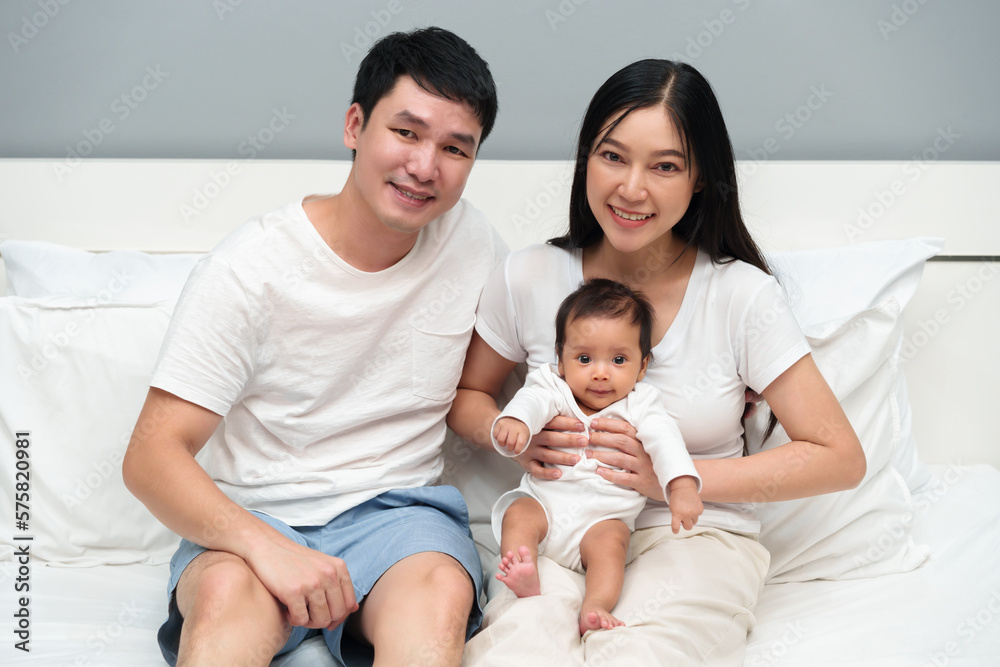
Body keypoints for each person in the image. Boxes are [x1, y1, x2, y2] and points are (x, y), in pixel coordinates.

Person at [447, 58, 865, 666]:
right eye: (612, 156)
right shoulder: (530, 275)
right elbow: (467, 396)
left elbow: (839, 458)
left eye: (665, 166)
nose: (631, 188)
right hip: (560, 531)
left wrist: (669, 479)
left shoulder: (740, 296)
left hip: (695, 536)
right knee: (518, 647)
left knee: (637, 654)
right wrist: (508, 436)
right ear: (586, 158)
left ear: (700, 179)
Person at [122, 27, 505, 667]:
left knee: (441, 591)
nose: (424, 167)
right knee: (225, 593)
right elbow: (151, 455)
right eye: (405, 133)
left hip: (400, 521)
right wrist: (267, 548)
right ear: (355, 125)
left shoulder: (473, 244)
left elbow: (549, 336)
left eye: (455, 148)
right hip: (258, 521)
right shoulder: (252, 267)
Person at [490, 277, 702, 636]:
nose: (601, 373)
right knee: (517, 514)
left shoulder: (641, 404)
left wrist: (680, 485)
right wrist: (516, 421)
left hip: (602, 520)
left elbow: (666, 442)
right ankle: (524, 570)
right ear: (560, 359)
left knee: (612, 547)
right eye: (584, 358)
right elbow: (532, 401)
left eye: (619, 359)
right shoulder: (553, 387)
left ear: (643, 366)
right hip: (545, 503)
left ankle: (596, 605)